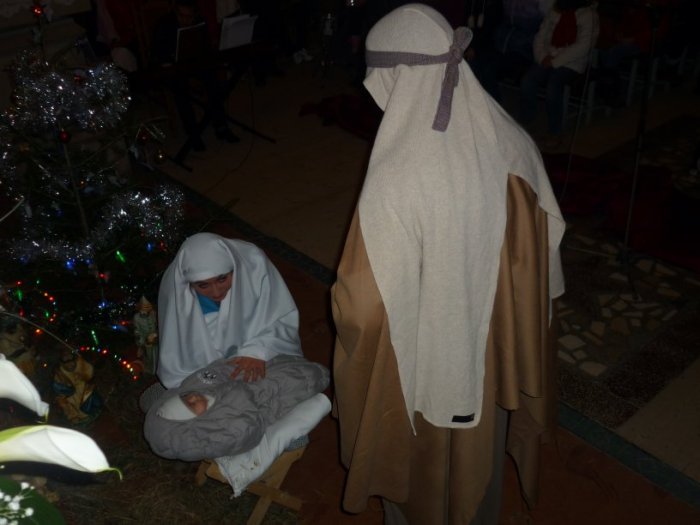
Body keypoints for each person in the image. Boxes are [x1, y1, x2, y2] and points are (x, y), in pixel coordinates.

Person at [331, 4, 565, 524]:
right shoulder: (513, 140)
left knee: (426, 481)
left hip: (423, 364)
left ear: (398, 75)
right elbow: (543, 250)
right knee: (482, 460)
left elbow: (363, 309)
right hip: (498, 348)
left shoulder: (397, 177)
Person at [157, 232, 302, 390]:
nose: (216, 292)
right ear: (188, 283)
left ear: (235, 268)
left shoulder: (255, 271)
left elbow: (282, 319)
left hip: (264, 358)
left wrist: (257, 351)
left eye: (222, 279)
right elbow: (179, 362)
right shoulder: (181, 307)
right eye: (203, 285)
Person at [144, 355, 329, 461]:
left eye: (185, 397)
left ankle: (299, 363)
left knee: (269, 364)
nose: (193, 396)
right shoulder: (221, 433)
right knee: (303, 379)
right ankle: (321, 375)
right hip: (269, 400)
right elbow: (248, 428)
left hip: (257, 375)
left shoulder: (195, 388)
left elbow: (216, 371)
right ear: (193, 422)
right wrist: (242, 393)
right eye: (191, 405)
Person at [151, 0, 239, 152]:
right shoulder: (164, 24)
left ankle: (221, 125)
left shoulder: (199, 21)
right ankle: (193, 132)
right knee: (180, 88)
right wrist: (167, 61)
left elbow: (206, 46)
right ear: (176, 12)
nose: (186, 20)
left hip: (194, 63)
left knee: (212, 80)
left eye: (189, 17)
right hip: (174, 68)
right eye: (182, 16)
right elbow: (158, 53)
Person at [518, 0, 598, 146]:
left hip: (572, 62)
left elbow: (583, 46)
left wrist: (555, 61)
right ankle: (526, 120)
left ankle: (555, 132)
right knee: (528, 81)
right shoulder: (554, 10)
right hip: (547, 57)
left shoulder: (589, 15)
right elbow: (540, 36)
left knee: (553, 85)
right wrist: (542, 57)